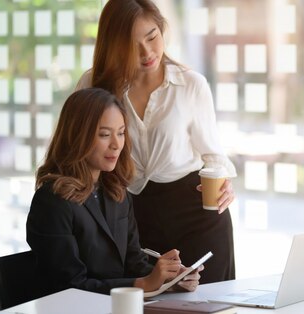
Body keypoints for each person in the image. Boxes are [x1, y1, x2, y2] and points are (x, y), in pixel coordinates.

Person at [76, 0, 237, 283]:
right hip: (130, 217)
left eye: (152, 37)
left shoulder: (191, 85)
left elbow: (213, 155)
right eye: (132, 44)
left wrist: (223, 183)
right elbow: (77, 152)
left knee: (208, 304)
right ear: (113, 44)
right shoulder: (93, 85)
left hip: (195, 214)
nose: (147, 52)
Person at [26, 88, 203, 295]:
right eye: (104, 134)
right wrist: (145, 284)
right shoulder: (51, 201)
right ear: (77, 136)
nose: (116, 144)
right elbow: (69, 287)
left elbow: (134, 264)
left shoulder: (116, 192)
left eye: (120, 133)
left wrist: (169, 279)